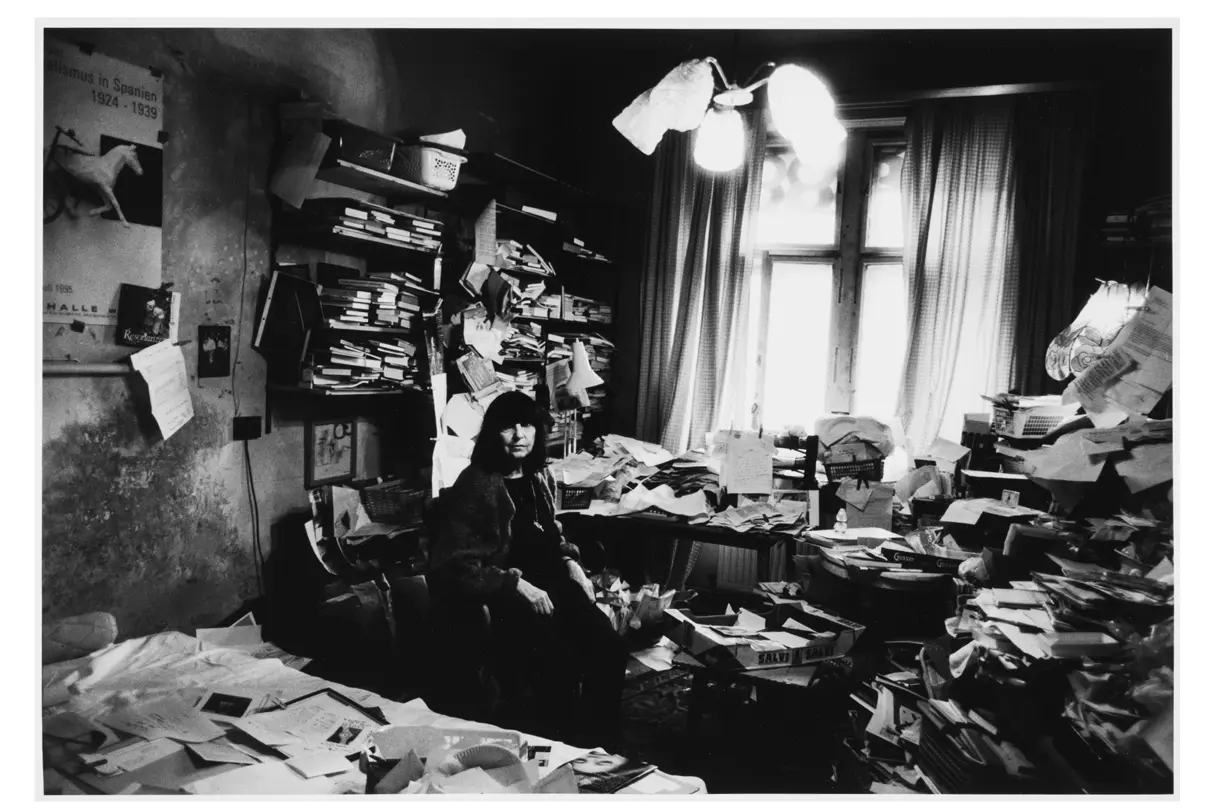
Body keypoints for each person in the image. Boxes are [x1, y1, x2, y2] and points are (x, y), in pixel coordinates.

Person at [428, 391, 627, 746]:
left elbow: (550, 534)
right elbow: (453, 566)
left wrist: (571, 563)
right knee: (561, 665)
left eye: (527, 425)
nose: (519, 434)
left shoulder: (538, 477)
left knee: (610, 649)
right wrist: (515, 585)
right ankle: (557, 751)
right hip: (509, 600)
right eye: (508, 427)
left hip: (555, 587)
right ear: (493, 433)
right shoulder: (477, 484)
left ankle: (599, 749)